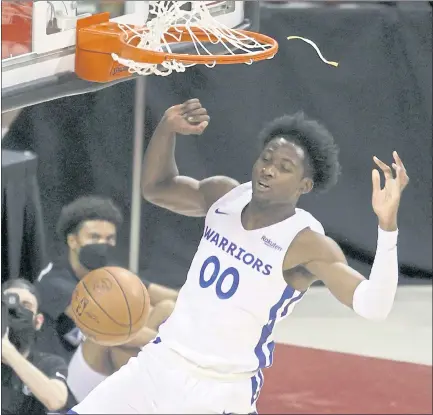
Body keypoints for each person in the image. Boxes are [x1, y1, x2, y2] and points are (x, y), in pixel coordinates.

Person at [69, 99, 409, 414]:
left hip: (219, 389)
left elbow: (374, 307)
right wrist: (167, 129)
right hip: (159, 363)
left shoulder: (307, 244)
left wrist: (387, 226)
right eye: (267, 158)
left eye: (285, 167)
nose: (269, 170)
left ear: (304, 185)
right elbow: (156, 188)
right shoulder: (224, 196)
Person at [35, 196, 177, 361]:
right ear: (72, 241)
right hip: (65, 369)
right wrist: (174, 345)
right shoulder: (53, 282)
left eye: (109, 238)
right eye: (94, 237)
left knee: (166, 308)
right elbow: (108, 327)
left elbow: (169, 296)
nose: (102, 244)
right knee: (118, 347)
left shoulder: (109, 273)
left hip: (102, 358)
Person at [1, 278, 70, 414]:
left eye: (26, 305)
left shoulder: (49, 364)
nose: (16, 310)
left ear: (38, 321)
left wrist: (7, 351)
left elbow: (56, 400)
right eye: (10, 304)